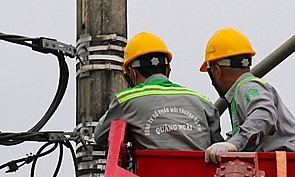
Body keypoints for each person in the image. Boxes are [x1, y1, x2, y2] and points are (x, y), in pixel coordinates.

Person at [94, 32, 222, 151]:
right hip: (198, 174)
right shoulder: (204, 102)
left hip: (147, 175)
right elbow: (217, 146)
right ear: (168, 69)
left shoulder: (125, 100)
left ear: (132, 72)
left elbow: (99, 136)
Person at [199, 28, 295, 163]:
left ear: (217, 71)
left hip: (281, 167)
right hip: (276, 165)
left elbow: (263, 114)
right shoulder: (242, 92)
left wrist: (233, 144)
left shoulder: (248, 87)